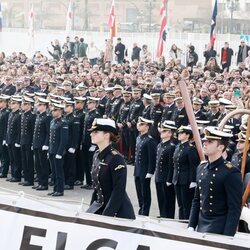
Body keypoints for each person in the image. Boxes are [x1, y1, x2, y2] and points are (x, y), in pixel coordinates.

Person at [188, 127, 242, 236]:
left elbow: (234, 208)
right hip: (201, 224)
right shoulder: (201, 167)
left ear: (221, 147)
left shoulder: (230, 172)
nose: (205, 143)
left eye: (210, 141)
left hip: (219, 227)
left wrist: (227, 237)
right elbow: (197, 200)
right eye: (205, 140)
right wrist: (191, 225)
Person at [87, 118, 135, 219]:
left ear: (107, 135)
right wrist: (91, 208)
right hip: (100, 207)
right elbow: (97, 188)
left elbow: (118, 191)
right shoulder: (96, 155)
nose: (92, 134)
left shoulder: (116, 159)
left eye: (96, 132)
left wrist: (107, 216)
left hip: (116, 212)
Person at [173, 126, 200, 220]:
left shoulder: (190, 148)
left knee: (186, 204)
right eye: (179, 133)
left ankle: (186, 221)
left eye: (181, 133)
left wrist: (193, 180)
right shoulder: (178, 147)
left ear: (188, 135)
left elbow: (193, 165)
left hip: (186, 180)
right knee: (180, 203)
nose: (179, 135)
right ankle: (181, 220)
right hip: (177, 179)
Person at [134, 117, 157, 216]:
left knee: (145, 192)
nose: (138, 125)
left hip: (145, 170)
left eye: (141, 124)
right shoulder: (139, 138)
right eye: (138, 123)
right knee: (139, 192)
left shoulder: (150, 140)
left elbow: (152, 157)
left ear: (147, 127)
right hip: (138, 169)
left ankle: (145, 211)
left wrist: (150, 171)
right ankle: (141, 208)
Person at [155, 121, 176, 218]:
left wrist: (169, 179)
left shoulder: (171, 147)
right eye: (162, 131)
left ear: (170, 133)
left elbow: (171, 165)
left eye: (164, 131)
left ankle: (168, 216)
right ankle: (162, 214)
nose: (161, 133)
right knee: (161, 197)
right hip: (159, 176)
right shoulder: (160, 145)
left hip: (166, 177)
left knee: (168, 198)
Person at [48, 103, 69, 197]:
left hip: (58, 151)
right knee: (54, 172)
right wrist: (49, 150)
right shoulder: (53, 121)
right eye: (52, 110)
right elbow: (50, 137)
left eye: (55, 110)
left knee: (59, 172)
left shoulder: (63, 123)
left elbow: (64, 140)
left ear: (60, 111)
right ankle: (55, 189)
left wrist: (60, 152)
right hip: (52, 150)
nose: (53, 112)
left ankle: (60, 190)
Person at [32, 97, 51, 191]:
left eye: (39, 105)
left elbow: (48, 132)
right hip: (36, 143)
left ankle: (44, 183)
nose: (37, 107)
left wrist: (46, 143)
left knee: (43, 164)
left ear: (45, 106)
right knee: (37, 164)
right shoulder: (38, 115)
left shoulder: (47, 117)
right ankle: (40, 182)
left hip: (42, 144)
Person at [19, 96, 36, 186]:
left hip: (29, 141)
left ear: (29, 105)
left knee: (29, 160)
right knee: (24, 160)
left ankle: (30, 179)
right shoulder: (23, 115)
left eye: (25, 104)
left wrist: (32, 142)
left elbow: (34, 131)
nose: (22, 106)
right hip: (23, 141)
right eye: (22, 104)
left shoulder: (32, 116)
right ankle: (26, 178)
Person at [0, 95, 11, 178]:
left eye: (1, 101)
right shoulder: (1, 112)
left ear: (5, 103)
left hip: (2, 136)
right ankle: (1, 169)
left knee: (4, 155)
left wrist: (4, 138)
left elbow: (6, 127)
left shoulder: (6, 113)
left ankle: (4, 171)